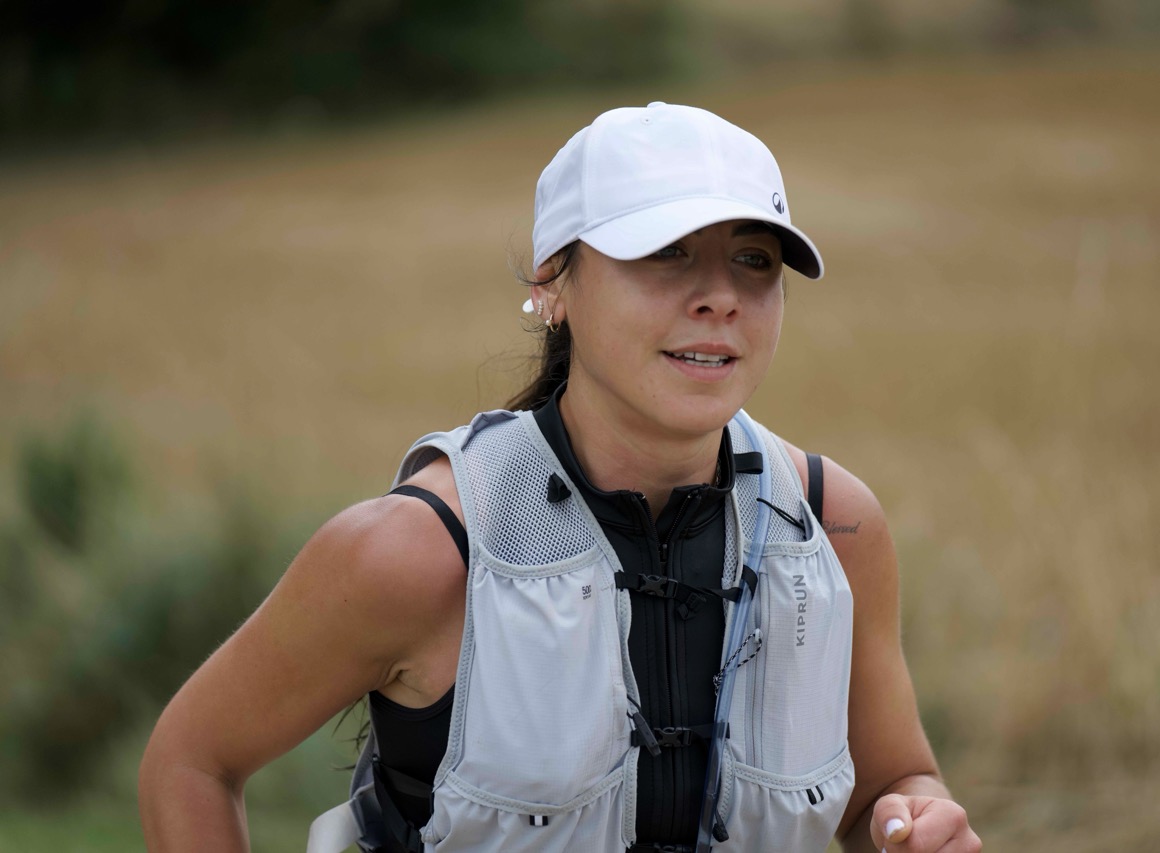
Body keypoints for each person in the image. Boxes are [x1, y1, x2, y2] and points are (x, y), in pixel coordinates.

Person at [138, 102, 981, 853]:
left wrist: (915, 818)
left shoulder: (835, 527)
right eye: (666, 251)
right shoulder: (419, 552)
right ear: (553, 283)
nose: (721, 297)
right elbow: (191, 761)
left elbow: (890, 784)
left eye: (754, 259)